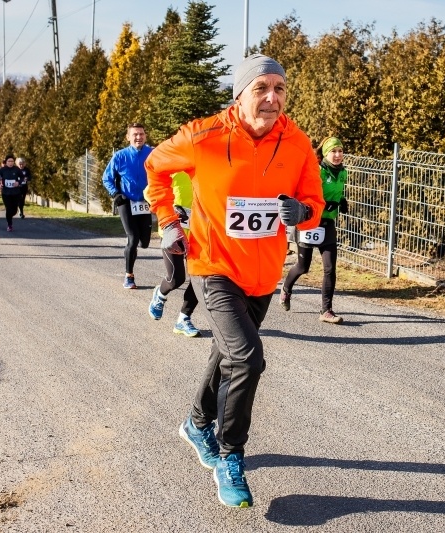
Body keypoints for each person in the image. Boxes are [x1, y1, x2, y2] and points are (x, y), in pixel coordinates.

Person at [145, 54, 324, 508]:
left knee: (225, 353)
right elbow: (154, 167)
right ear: (239, 94)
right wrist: (168, 221)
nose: (271, 98)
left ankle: (195, 422)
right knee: (247, 358)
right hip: (213, 266)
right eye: (261, 88)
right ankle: (230, 455)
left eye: (279, 89)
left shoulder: (298, 143)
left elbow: (313, 200)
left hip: (263, 273)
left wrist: (302, 212)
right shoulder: (202, 136)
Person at [280, 136, 349, 324]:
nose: (337, 155)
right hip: (310, 222)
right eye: (333, 151)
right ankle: (286, 289)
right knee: (303, 267)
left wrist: (341, 200)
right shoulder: (317, 171)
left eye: (340, 151)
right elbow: (304, 193)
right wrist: (319, 205)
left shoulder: (343, 173)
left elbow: (337, 192)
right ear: (325, 154)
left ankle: (326, 310)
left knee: (330, 268)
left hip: (327, 225)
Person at [144, 171, 200, 337]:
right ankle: (160, 295)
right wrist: (170, 209)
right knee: (177, 279)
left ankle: (184, 319)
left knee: (200, 279)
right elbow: (149, 192)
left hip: (199, 235)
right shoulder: (175, 169)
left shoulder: (208, 167)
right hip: (173, 233)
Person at [102, 123, 153, 289]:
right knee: (133, 238)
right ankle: (129, 276)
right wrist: (116, 194)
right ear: (128, 137)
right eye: (135, 134)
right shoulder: (120, 156)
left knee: (144, 241)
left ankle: (136, 244)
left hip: (145, 202)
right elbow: (106, 178)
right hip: (127, 202)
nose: (138, 137)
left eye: (141, 134)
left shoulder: (152, 153)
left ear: (145, 136)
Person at [0, 154, 24, 231]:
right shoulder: (2, 170)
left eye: (12, 161)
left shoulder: (17, 169)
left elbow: (22, 177)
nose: (10, 163)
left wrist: (18, 182)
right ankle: (10, 224)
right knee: (8, 208)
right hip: (6, 192)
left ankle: (9, 215)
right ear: (6, 162)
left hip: (15, 192)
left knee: (14, 210)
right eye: (9, 161)